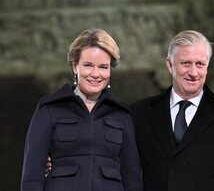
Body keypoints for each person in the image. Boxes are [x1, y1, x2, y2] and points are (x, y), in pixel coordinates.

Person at [21, 28, 143, 191]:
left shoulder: (122, 115)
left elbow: (132, 179)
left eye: (103, 67)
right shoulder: (49, 109)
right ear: (74, 67)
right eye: (88, 65)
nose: (95, 74)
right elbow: (31, 177)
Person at [131, 30, 214, 191]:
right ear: (170, 65)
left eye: (200, 64)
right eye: (186, 63)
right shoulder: (140, 114)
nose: (194, 73)